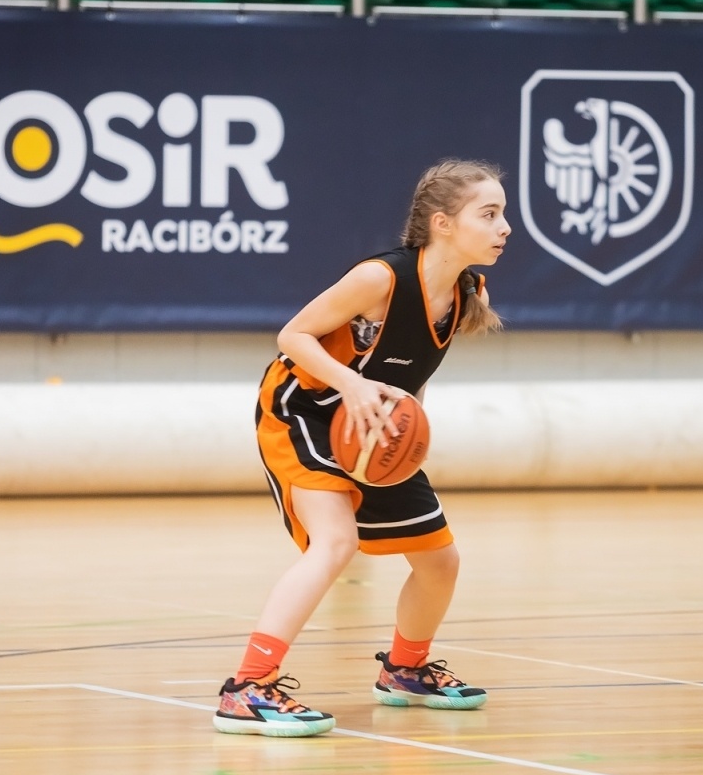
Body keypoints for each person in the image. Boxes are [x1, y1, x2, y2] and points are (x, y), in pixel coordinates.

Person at [214, 159, 510, 737]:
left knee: (440, 560)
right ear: (444, 223)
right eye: (489, 214)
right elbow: (293, 335)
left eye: (503, 214)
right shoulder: (380, 279)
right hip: (305, 411)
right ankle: (247, 688)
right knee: (335, 542)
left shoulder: (466, 290)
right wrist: (350, 384)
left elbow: (413, 367)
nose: (504, 228)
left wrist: (411, 423)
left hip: (373, 424)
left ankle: (405, 669)